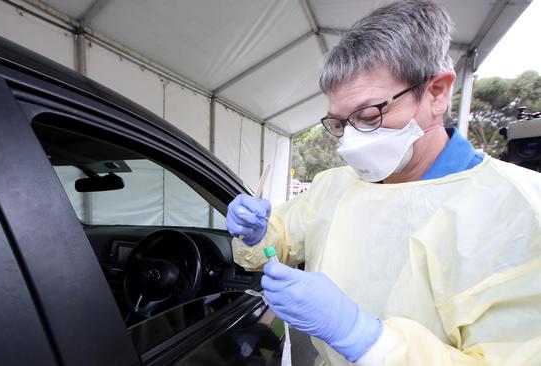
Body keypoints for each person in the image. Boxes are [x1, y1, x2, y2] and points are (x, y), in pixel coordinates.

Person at [226, 0, 541, 365]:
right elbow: (278, 241)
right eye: (341, 124)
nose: (351, 142)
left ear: (437, 92)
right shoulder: (334, 185)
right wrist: (256, 234)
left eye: (369, 115)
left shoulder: (517, 208)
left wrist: (364, 338)